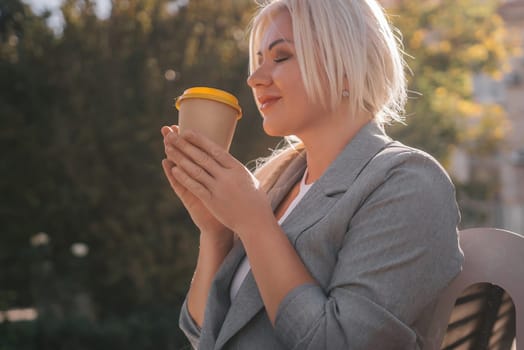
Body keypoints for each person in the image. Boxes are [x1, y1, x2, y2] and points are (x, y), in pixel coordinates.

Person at [161, 0, 464, 349]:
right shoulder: (278, 180)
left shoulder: (408, 182)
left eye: (282, 56)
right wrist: (216, 232)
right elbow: (204, 334)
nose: (255, 78)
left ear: (347, 65)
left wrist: (254, 223)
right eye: (259, 60)